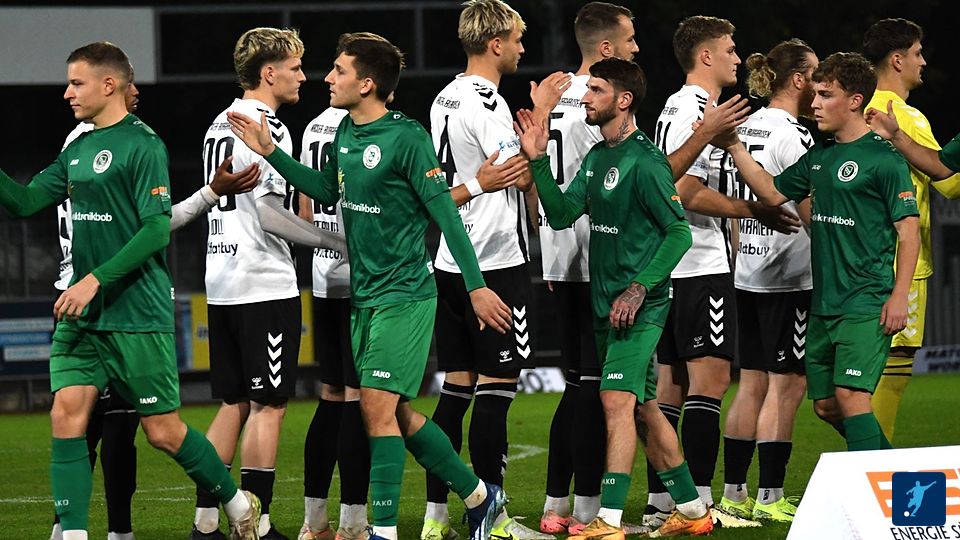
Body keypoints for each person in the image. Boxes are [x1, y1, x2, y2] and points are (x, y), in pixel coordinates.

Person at [227, 32, 512, 540]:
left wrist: (476, 288)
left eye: (338, 70)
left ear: (367, 83)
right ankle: (480, 498)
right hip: (365, 298)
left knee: (375, 409)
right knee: (396, 412)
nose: (327, 78)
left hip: (406, 296)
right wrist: (269, 152)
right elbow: (323, 189)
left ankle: (381, 531)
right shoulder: (344, 132)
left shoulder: (407, 137)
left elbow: (445, 215)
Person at [0, 41, 261, 540]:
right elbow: (27, 201)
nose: (67, 93)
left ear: (108, 85)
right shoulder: (77, 148)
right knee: (65, 416)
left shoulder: (144, 146)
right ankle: (74, 534)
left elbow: (155, 230)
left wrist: (94, 279)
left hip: (135, 312)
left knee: (162, 431)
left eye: (76, 83)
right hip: (83, 315)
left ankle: (234, 502)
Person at [516, 56, 713, 539]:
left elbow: (678, 233)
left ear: (623, 101)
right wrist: (538, 161)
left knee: (614, 401)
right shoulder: (598, 156)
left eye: (596, 90)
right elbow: (560, 214)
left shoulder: (646, 162)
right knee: (644, 411)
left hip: (640, 306)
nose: (585, 97)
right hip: (607, 305)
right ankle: (693, 512)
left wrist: (640, 286)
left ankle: (607, 521)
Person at [727, 51, 920, 452]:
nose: (814, 103)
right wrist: (734, 146)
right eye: (815, 93)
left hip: (865, 300)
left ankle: (873, 487)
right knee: (827, 405)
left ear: (855, 100)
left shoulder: (884, 160)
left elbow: (908, 232)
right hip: (824, 303)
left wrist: (899, 295)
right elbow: (771, 192)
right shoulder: (820, 156)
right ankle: (894, 470)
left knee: (851, 396)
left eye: (825, 95)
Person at [193, 27, 344, 540]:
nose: (304, 76)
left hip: (222, 279)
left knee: (232, 403)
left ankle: (205, 524)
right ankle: (254, 526)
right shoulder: (267, 127)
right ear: (268, 72)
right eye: (296, 67)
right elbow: (272, 216)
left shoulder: (219, 122)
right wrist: (338, 243)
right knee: (269, 406)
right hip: (262, 282)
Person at [646, 15, 788, 529]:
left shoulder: (676, 105)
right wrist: (752, 210)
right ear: (705, 56)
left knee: (671, 387)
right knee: (709, 384)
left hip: (673, 266)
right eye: (729, 49)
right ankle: (702, 506)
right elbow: (683, 190)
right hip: (699, 263)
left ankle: (661, 503)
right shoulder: (697, 110)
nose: (737, 57)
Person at [425, 1, 548, 538]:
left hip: (450, 258)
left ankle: (435, 520)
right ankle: (492, 518)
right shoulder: (487, 101)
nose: (522, 47)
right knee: (495, 393)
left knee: (455, 392)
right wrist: (541, 116)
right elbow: (518, 173)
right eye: (517, 38)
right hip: (493, 262)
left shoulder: (444, 96)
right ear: (495, 44)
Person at [716, 39, 818, 524]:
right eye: (816, 75)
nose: (821, 86)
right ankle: (770, 495)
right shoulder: (794, 136)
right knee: (788, 384)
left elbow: (739, 202)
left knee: (751, 383)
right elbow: (810, 212)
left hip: (748, 272)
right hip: (788, 276)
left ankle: (734, 493)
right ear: (798, 79)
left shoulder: (748, 127)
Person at [860, 18, 960, 443]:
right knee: (896, 364)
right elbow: (949, 183)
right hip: (905, 259)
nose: (923, 62)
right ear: (897, 60)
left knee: (860, 370)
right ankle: (872, 462)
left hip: (860, 255)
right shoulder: (906, 117)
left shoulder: (857, 106)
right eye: (917, 53)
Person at [296, 105, 371, 540]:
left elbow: (305, 212)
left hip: (323, 275)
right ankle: (353, 524)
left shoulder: (313, 127)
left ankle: (314, 522)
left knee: (331, 394)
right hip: (362, 278)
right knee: (359, 399)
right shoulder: (362, 126)